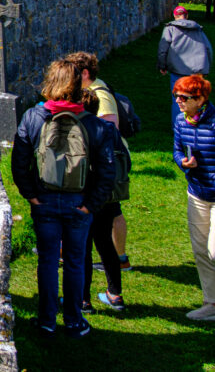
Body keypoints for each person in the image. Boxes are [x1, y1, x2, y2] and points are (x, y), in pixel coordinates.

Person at [11, 57, 116, 338]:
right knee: (75, 259)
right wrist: (90, 205)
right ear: (77, 84)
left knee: (47, 260)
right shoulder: (95, 125)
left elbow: (19, 161)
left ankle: (46, 319)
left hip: (44, 199)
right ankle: (74, 319)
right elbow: (108, 172)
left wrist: (30, 195)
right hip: (78, 201)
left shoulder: (34, 117)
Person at [67, 51, 132, 271]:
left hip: (107, 161)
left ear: (84, 73)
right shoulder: (92, 89)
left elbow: (109, 128)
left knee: (111, 211)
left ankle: (119, 259)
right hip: (105, 161)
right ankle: (119, 259)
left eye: (74, 72)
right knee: (111, 211)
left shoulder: (99, 94)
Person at [79, 88, 130, 313]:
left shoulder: (78, 129)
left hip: (85, 196)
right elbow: (124, 160)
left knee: (83, 248)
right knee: (105, 243)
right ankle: (115, 294)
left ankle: (83, 300)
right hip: (108, 194)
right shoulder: (109, 129)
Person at [171, 74, 215, 321]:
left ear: (200, 99)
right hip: (197, 193)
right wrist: (183, 162)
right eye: (176, 96)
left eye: (184, 97)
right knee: (200, 251)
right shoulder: (181, 121)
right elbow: (177, 149)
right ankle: (212, 304)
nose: (179, 101)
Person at [158, 6, 212, 123]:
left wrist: (162, 66)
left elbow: (163, 49)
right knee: (197, 97)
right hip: (197, 70)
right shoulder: (198, 29)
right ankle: (198, 122)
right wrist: (206, 69)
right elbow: (208, 49)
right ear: (186, 16)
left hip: (178, 70)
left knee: (178, 99)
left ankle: (179, 126)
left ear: (175, 16)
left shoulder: (170, 28)